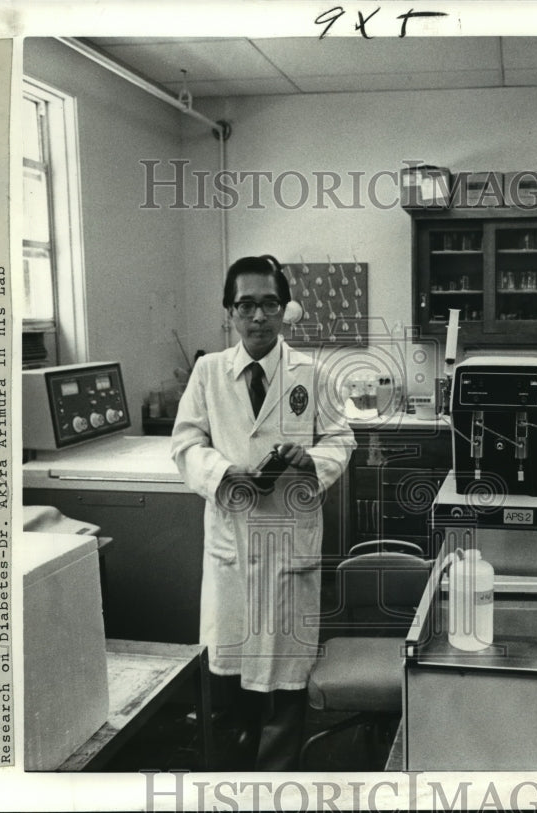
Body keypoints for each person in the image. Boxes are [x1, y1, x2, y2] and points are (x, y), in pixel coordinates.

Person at [171, 254, 356, 770]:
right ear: (229, 310)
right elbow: (185, 444)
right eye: (246, 305)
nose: (258, 317)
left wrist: (310, 459)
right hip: (234, 542)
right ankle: (229, 778)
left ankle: (278, 785)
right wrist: (223, 471)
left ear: (285, 308)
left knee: (285, 675)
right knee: (230, 677)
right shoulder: (209, 372)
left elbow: (342, 440)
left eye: (269, 304)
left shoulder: (311, 374)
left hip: (288, 545)